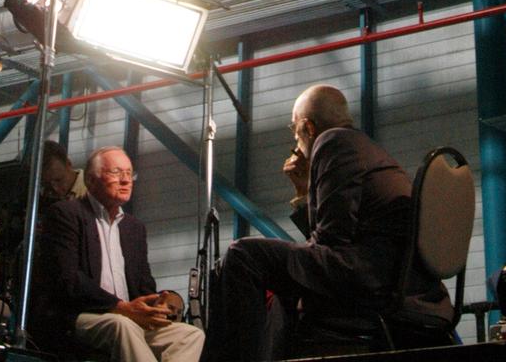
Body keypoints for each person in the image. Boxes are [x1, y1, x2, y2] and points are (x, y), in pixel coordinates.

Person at [200, 84, 454, 362]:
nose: (296, 142)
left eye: (294, 131)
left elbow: (330, 241)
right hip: (396, 280)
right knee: (285, 289)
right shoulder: (363, 147)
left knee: (242, 256)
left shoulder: (333, 142)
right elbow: (336, 235)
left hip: (373, 280)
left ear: (308, 127)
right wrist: (303, 193)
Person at [29, 145, 204, 362]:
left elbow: (143, 285)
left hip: (129, 316)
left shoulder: (134, 228)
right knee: (122, 325)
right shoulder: (66, 214)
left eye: (129, 174)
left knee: (190, 335)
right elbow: (69, 279)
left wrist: (158, 303)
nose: (125, 180)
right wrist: (120, 307)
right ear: (91, 181)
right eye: (116, 173)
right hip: (82, 315)